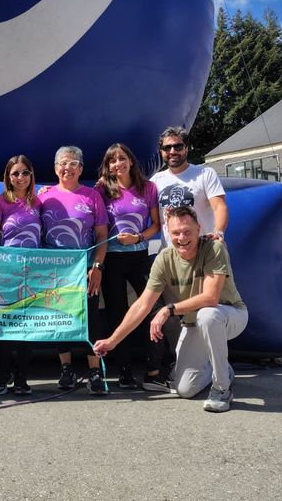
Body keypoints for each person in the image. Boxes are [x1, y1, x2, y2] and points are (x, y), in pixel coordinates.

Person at [94, 206, 248, 413]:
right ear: (167, 232)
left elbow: (211, 298)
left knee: (208, 315)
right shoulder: (164, 258)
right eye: (176, 233)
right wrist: (112, 341)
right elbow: (142, 304)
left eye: (187, 231)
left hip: (230, 315)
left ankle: (221, 389)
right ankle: (221, 369)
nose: (182, 237)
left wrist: (168, 309)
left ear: (198, 229)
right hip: (194, 323)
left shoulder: (214, 248)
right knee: (185, 389)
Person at [94, 143, 166, 391]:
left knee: (153, 309)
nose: (118, 164)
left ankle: (155, 368)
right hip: (112, 259)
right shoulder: (103, 189)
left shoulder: (148, 188)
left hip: (139, 257)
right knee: (117, 313)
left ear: (131, 161)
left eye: (122, 158)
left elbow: (156, 225)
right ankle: (124, 370)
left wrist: (137, 238)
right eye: (112, 161)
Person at [38, 146, 109, 395]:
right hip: (54, 271)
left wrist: (97, 267)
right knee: (60, 319)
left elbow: (102, 235)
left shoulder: (92, 197)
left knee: (91, 320)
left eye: (72, 163)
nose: (67, 168)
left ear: (80, 168)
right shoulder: (43, 196)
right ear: (55, 168)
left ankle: (94, 371)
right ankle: (66, 369)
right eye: (62, 163)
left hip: (85, 269)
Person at [0, 155, 42, 395]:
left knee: (27, 328)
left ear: (31, 176)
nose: (20, 178)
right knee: (6, 327)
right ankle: (2, 375)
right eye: (15, 173)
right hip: (8, 272)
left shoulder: (38, 202)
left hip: (32, 273)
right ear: (8, 177)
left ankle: (21, 377)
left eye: (25, 173)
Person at [150, 126, 228, 246]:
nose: (172, 151)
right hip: (171, 254)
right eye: (167, 148)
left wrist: (218, 232)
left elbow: (219, 207)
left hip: (203, 251)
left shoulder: (205, 174)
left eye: (178, 146)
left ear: (186, 149)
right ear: (161, 152)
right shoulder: (155, 181)